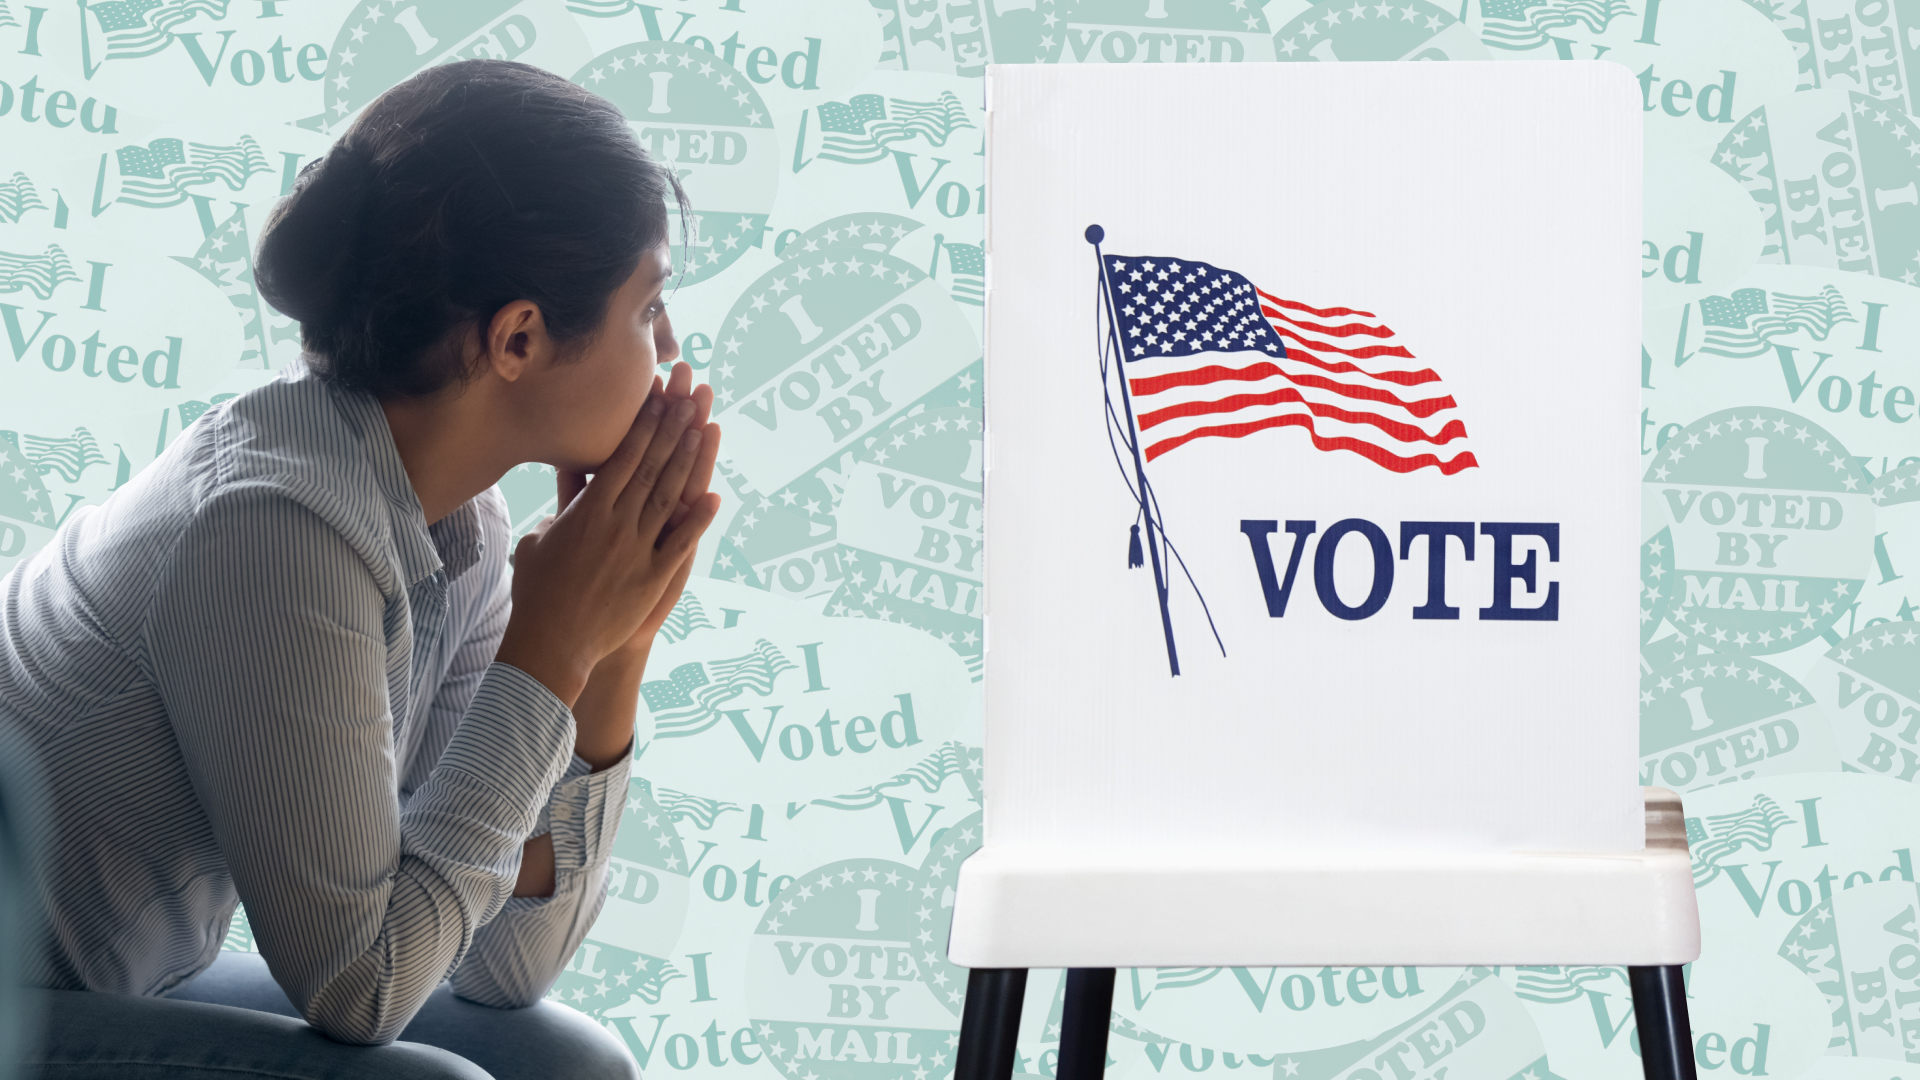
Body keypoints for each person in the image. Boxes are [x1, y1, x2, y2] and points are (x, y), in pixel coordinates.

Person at [0, 58, 721, 1079]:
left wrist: (611, 654)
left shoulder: (454, 521)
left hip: (102, 982)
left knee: (564, 1063)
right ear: (518, 337)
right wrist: (550, 654)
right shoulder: (273, 527)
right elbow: (362, 988)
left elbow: (501, 967)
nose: (670, 349)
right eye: (648, 308)